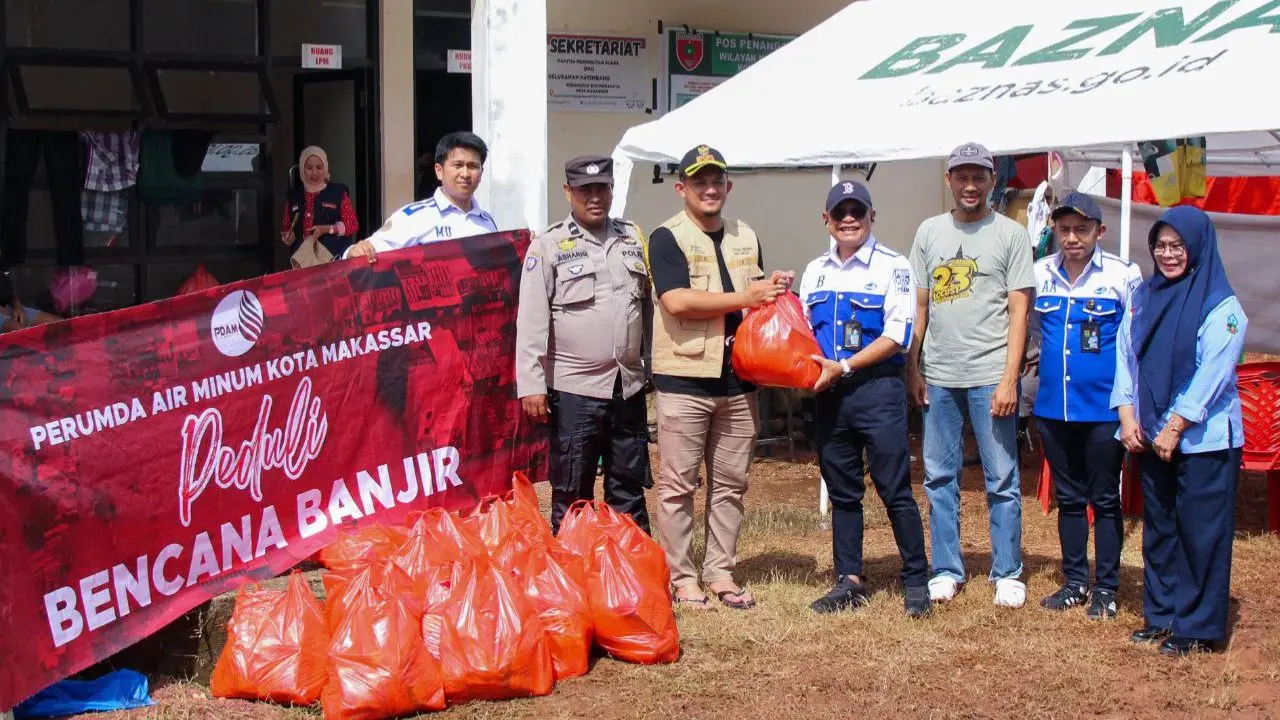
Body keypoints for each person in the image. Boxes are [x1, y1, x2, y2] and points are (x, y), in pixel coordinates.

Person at [647, 144, 789, 611]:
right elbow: (677, 302)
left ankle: (721, 572)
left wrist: (773, 288)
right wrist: (746, 295)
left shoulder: (746, 235)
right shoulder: (666, 237)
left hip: (738, 381)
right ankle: (683, 578)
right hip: (684, 379)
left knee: (731, 484)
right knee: (678, 486)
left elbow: (756, 294)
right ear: (681, 188)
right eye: (699, 181)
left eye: (717, 181)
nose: (710, 189)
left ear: (728, 186)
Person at [1113, 206, 1247, 656]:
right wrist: (1128, 415)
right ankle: (1163, 613)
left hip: (1203, 438)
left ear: (1198, 247)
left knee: (1200, 531)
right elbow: (1126, 357)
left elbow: (1214, 372)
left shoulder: (1222, 305)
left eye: (1178, 246)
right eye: (1160, 245)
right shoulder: (1142, 296)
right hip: (1150, 433)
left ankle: (1198, 626)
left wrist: (1175, 426)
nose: (1168, 254)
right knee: (1161, 527)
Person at [907, 142, 1036, 608]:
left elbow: (1020, 313)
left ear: (992, 179)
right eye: (961, 176)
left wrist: (1009, 379)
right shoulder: (928, 232)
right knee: (939, 476)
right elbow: (920, 306)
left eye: (978, 176)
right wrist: (913, 367)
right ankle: (946, 567)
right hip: (939, 375)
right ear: (949, 180)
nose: (969, 185)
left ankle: (1007, 571)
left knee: (1001, 476)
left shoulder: (1010, 235)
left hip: (989, 374)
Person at [800, 180, 931, 617]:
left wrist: (847, 366)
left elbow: (898, 334)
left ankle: (916, 580)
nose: (849, 219)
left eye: (858, 211)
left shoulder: (893, 267)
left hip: (877, 391)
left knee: (894, 488)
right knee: (843, 492)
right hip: (830, 395)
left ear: (872, 217)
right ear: (827, 220)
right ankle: (848, 580)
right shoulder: (815, 270)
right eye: (841, 213)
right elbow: (801, 331)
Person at [515, 155, 653, 534]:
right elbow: (530, 321)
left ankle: (631, 573)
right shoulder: (549, 245)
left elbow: (646, 310)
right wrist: (531, 385)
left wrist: (650, 367)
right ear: (567, 192)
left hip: (626, 387)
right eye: (584, 190)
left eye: (601, 189)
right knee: (573, 490)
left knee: (628, 486)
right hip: (574, 389)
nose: (595, 197)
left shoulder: (632, 238)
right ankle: (574, 577)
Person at [1030, 192, 1142, 619]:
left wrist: (1129, 405)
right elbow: (1036, 331)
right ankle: (1075, 582)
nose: (1072, 238)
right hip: (1055, 409)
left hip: (1103, 410)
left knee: (1105, 499)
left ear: (1100, 231)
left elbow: (1133, 343)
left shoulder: (1122, 275)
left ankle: (1107, 588)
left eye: (1081, 229)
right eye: (1064, 229)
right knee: (1070, 499)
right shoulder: (1041, 273)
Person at [347, 132, 496, 260]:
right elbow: (366, 252)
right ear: (439, 170)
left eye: (473, 166)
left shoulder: (487, 222)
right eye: (457, 165)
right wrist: (353, 252)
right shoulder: (413, 217)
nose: (465, 174)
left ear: (481, 172)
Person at [280, 146, 359, 260]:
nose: (314, 172)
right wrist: (288, 236)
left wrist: (327, 229)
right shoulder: (294, 196)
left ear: (325, 168)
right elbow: (286, 227)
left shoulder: (338, 192)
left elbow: (352, 225)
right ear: (302, 169)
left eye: (319, 167)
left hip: (332, 260)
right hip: (303, 261)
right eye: (309, 167)